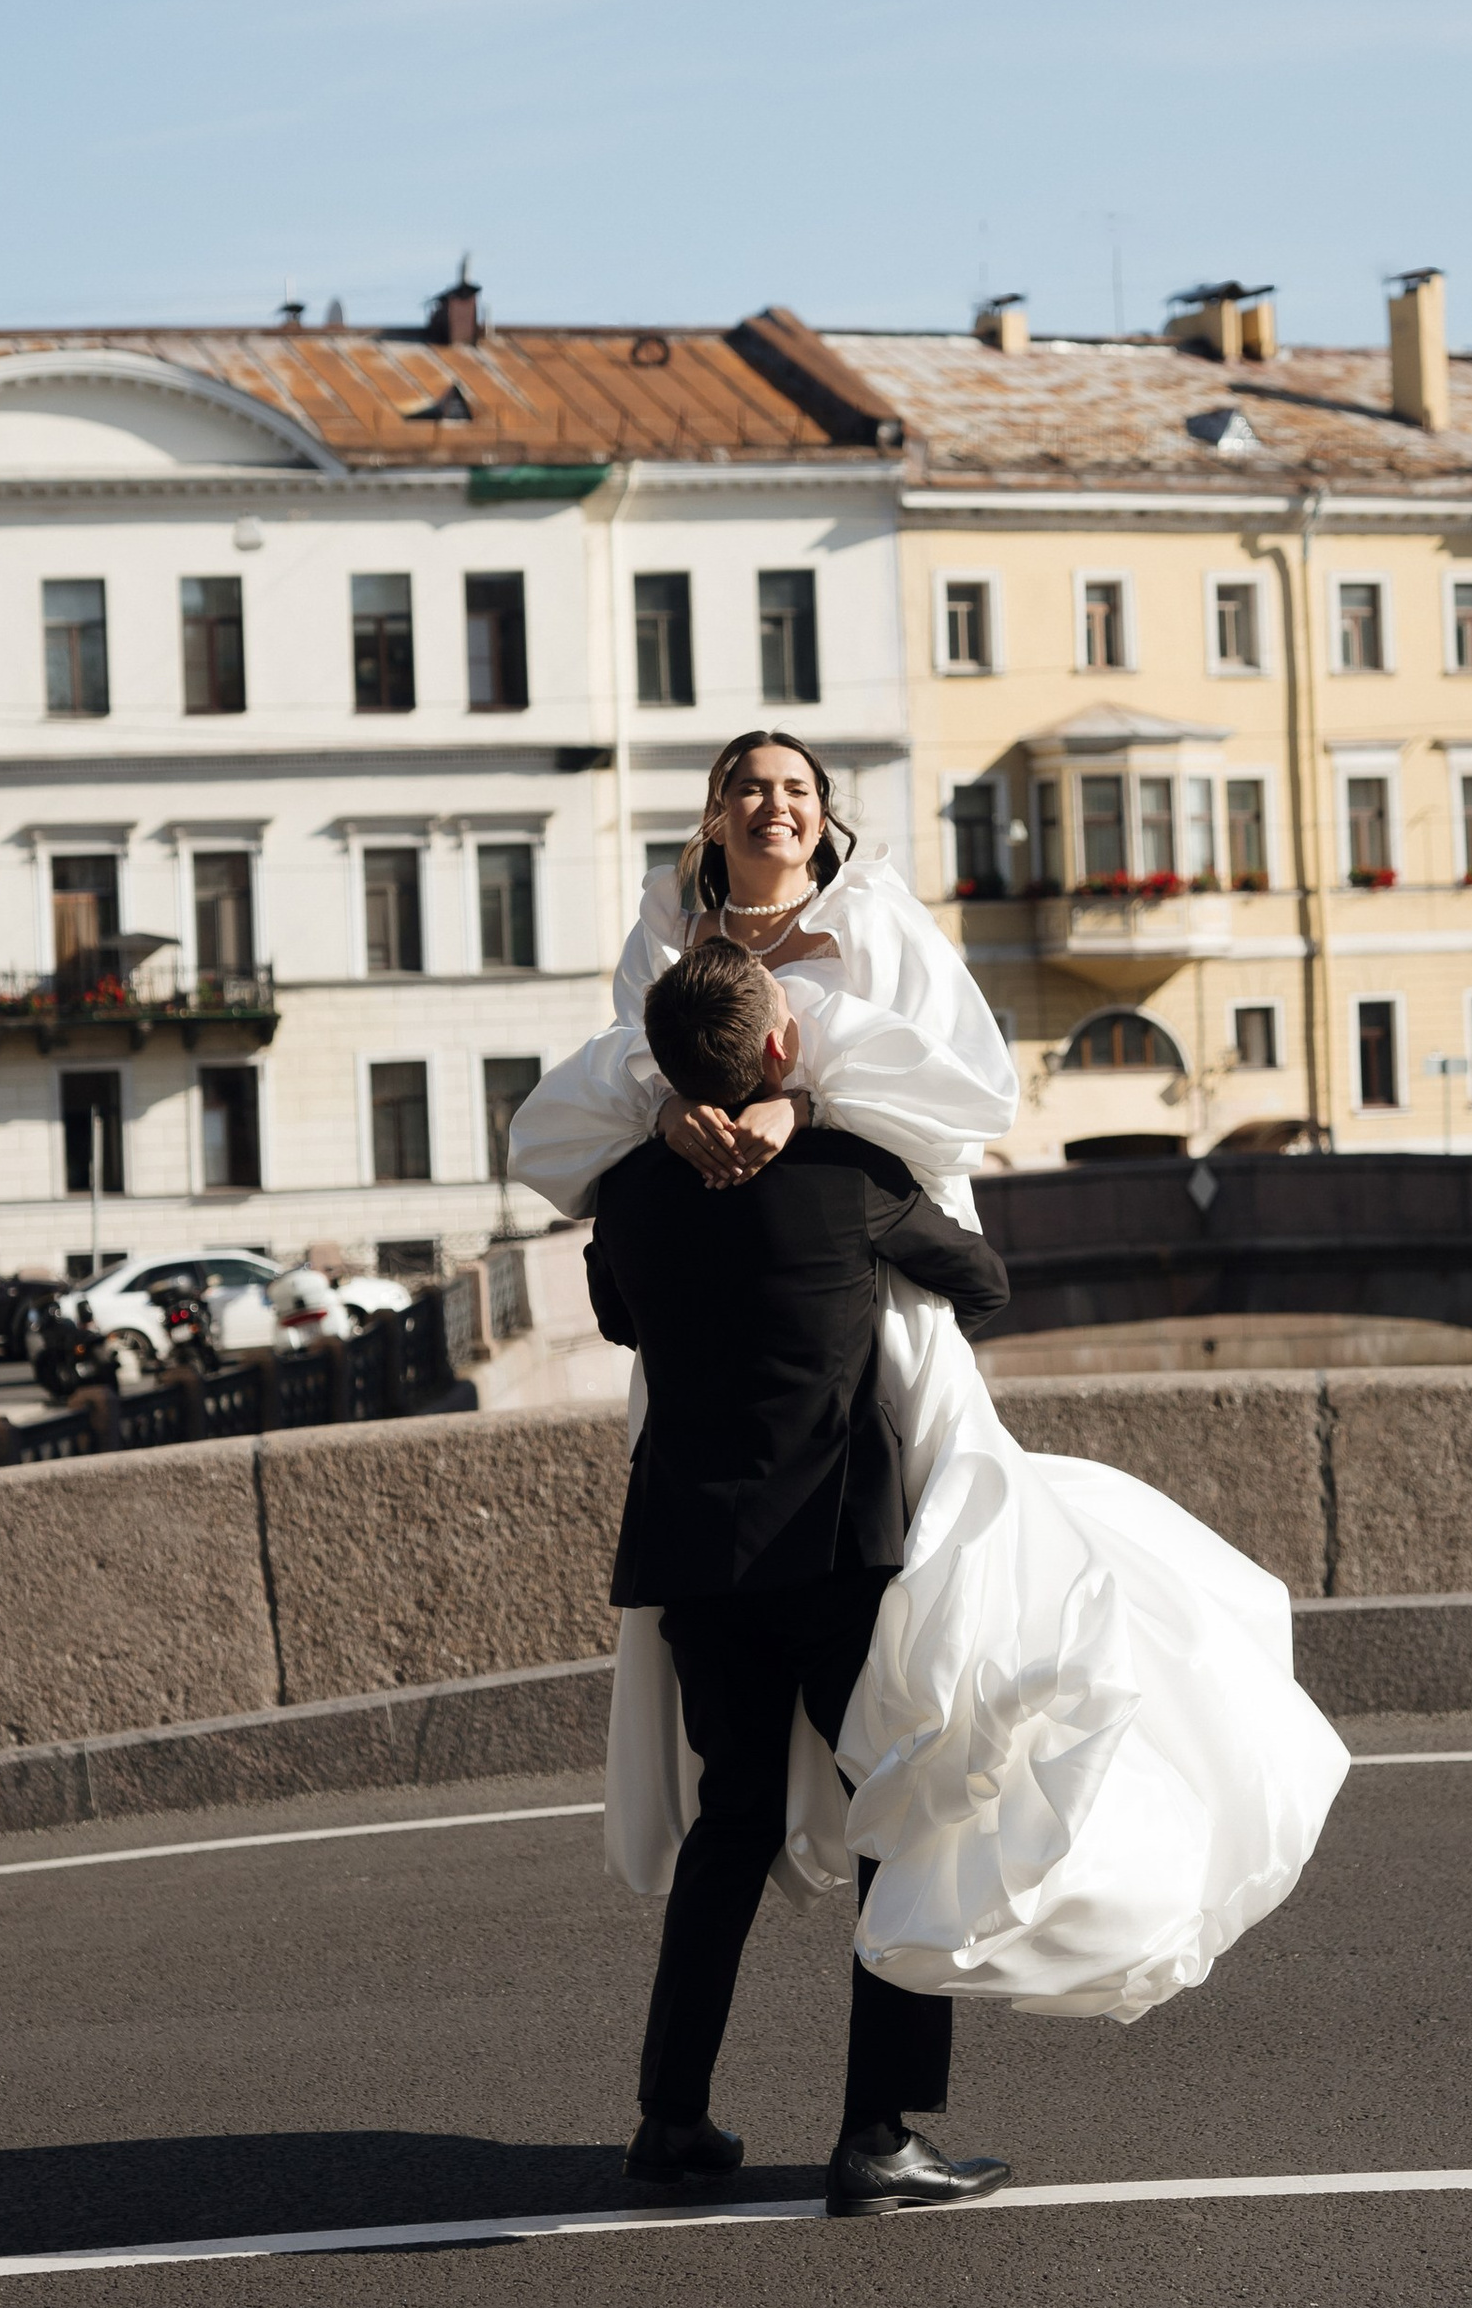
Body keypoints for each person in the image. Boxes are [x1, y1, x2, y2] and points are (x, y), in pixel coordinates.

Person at [509, 730, 1350, 2029]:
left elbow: (966, 1095)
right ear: (715, 817)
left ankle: (691, 2111)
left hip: (840, 1366)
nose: (772, 806)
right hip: (786, 1407)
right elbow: (621, 1075)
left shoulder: (880, 931)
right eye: (749, 789)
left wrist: (801, 1101)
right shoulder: (661, 938)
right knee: (874, 1765)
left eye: (796, 790)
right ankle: (880, 2122)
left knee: (847, 1741)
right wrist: (666, 1104)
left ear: (824, 819)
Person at [589, 935, 1014, 2219]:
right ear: (783, 1050)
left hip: (694, 1557)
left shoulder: (631, 1194)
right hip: (834, 1550)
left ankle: (671, 2120)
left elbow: (620, 1317)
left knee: (734, 1821)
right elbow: (982, 1282)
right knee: (899, 1814)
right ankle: (878, 2135)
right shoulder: (846, 1172)